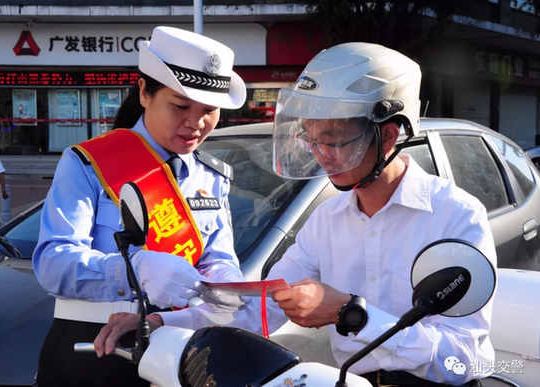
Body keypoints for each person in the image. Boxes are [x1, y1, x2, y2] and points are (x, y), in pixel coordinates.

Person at [94, 43, 496, 386]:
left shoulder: (455, 217)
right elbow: (259, 305)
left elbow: (462, 360)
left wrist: (351, 314)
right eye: (311, 139)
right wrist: (161, 323)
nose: (322, 156)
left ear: (388, 135)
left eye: (335, 141)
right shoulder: (326, 221)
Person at [32, 26, 247, 387]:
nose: (196, 123)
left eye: (210, 110)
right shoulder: (88, 163)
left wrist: (226, 281)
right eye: (180, 106)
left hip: (177, 350)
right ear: (145, 92)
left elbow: (217, 259)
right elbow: (53, 261)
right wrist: (133, 270)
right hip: (94, 351)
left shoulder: (213, 177)